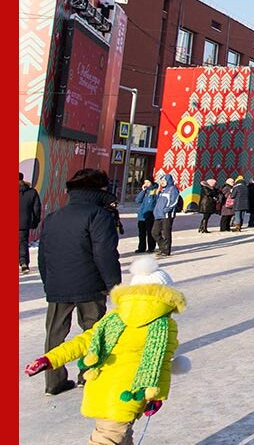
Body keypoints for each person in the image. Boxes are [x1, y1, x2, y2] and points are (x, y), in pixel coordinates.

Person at [25, 256, 184, 445]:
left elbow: (83, 342)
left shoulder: (114, 317)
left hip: (99, 387)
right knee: (108, 438)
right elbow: (163, 363)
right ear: (167, 295)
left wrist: (49, 359)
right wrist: (158, 395)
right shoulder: (164, 326)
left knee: (120, 435)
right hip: (129, 394)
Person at [36, 168, 122, 396]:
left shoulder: (54, 217)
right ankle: (88, 375)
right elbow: (105, 254)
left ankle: (53, 382)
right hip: (91, 286)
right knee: (93, 331)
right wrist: (114, 285)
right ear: (99, 190)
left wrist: (49, 283)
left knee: (54, 334)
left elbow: (43, 255)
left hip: (58, 286)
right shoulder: (98, 215)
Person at [151, 173, 179, 257]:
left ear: (168, 181)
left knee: (166, 233)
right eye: (161, 181)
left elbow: (174, 201)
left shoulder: (173, 189)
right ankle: (162, 247)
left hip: (167, 215)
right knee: (154, 232)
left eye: (164, 181)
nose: (162, 182)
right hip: (158, 215)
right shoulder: (162, 190)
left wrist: (166, 209)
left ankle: (165, 251)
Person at [19, 172, 42, 275]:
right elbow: (36, 208)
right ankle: (24, 264)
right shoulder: (32, 192)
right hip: (24, 222)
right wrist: (35, 221)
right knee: (22, 242)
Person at [133, 181, 158, 254]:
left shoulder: (155, 190)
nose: (146, 184)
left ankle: (151, 248)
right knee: (141, 233)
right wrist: (142, 191)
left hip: (150, 214)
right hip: (142, 214)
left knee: (150, 232)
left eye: (148, 182)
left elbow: (156, 202)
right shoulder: (145, 191)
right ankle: (141, 248)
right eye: (145, 182)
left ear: (151, 182)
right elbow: (138, 200)